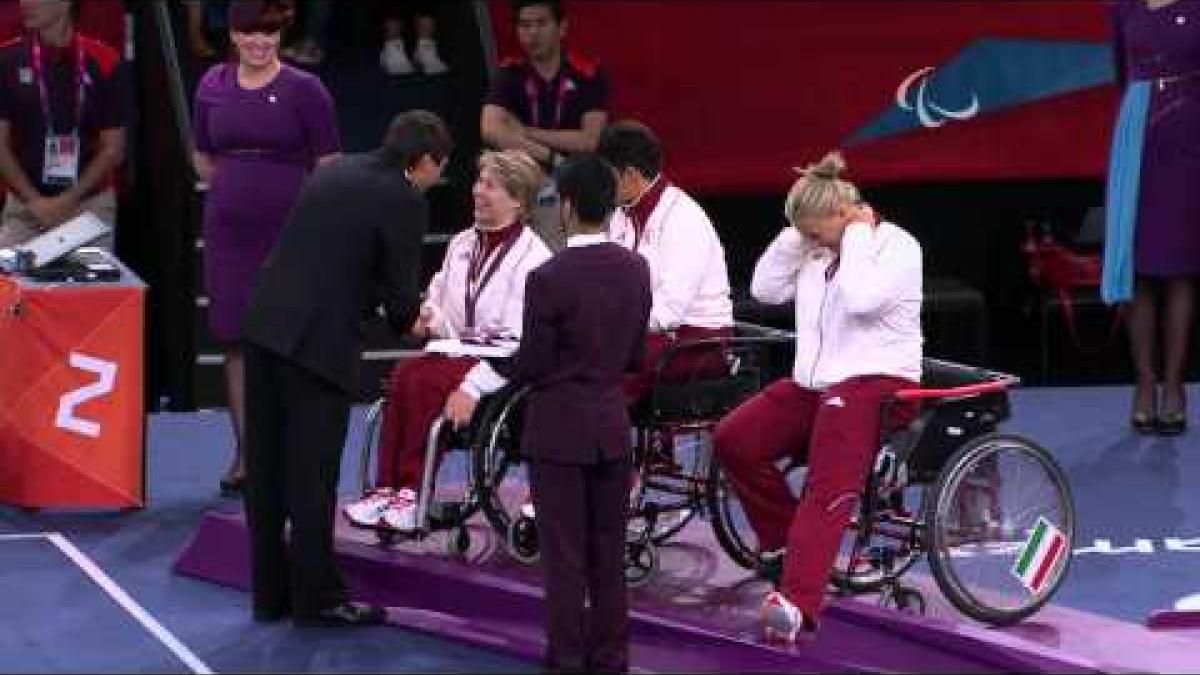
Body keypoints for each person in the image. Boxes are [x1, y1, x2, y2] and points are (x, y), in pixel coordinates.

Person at [239, 109, 452, 627]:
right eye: (437, 170)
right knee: (312, 475)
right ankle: (319, 599)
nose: (435, 181)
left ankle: (270, 595)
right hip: (317, 346)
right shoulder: (402, 198)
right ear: (422, 162)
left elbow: (337, 253)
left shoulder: (335, 170)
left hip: (265, 328)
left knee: (265, 469)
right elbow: (402, 299)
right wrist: (416, 320)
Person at [444, 153, 651, 673]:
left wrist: (482, 377)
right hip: (611, 428)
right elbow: (634, 357)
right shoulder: (636, 268)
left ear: (567, 207)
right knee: (608, 555)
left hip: (558, 432)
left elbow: (532, 362)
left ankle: (564, 660)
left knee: (565, 559)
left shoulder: (548, 277)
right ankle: (610, 661)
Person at [712, 152, 922, 642]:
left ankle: (800, 601)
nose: (809, 242)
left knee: (827, 485)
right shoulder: (813, 248)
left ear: (843, 217)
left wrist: (856, 236)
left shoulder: (895, 246)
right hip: (816, 385)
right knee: (734, 439)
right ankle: (788, 545)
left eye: (814, 232)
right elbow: (764, 289)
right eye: (802, 235)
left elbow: (861, 300)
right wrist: (798, 232)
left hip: (877, 384)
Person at [342, 149, 551, 531]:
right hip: (453, 352)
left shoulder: (534, 258)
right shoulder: (461, 243)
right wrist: (428, 317)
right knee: (405, 373)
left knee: (424, 382)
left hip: (499, 366)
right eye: (478, 182)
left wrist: (471, 389)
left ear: (517, 201)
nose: (477, 191)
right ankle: (388, 489)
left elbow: (518, 345)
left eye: (490, 186)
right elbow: (439, 300)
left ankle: (411, 493)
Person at [192, 0, 340, 495]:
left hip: (290, 233)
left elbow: (329, 164)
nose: (261, 44)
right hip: (228, 234)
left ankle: (289, 454)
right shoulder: (211, 85)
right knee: (235, 341)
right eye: (251, 35)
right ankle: (248, 457)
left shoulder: (306, 90)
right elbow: (201, 152)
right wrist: (234, 190)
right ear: (232, 36)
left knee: (286, 342)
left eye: (270, 35)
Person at [1103, 0, 1200, 436]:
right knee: (1138, 266)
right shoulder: (1122, 8)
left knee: (1180, 268)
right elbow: (1121, 72)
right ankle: (1144, 383)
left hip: (1190, 133)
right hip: (1138, 132)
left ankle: (1175, 387)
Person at [595, 120, 734, 404]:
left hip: (697, 343)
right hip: (643, 335)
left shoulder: (683, 218)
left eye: (605, 175)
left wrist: (611, 326)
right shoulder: (621, 215)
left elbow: (668, 313)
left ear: (630, 175)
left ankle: (600, 445)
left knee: (600, 376)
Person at [0, 0, 128, 250]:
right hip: (25, 209)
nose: (25, 3)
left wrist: (68, 200)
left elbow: (114, 149)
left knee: (89, 289)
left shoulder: (105, 60)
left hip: (88, 206)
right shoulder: (6, 60)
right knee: (10, 287)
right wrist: (36, 201)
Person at [481, 0, 609, 250]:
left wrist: (525, 132)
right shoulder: (509, 74)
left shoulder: (587, 74)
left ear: (561, 28)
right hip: (523, 180)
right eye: (525, 25)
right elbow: (491, 130)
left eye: (541, 24)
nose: (532, 33)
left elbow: (589, 140)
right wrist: (549, 155)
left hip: (573, 181)